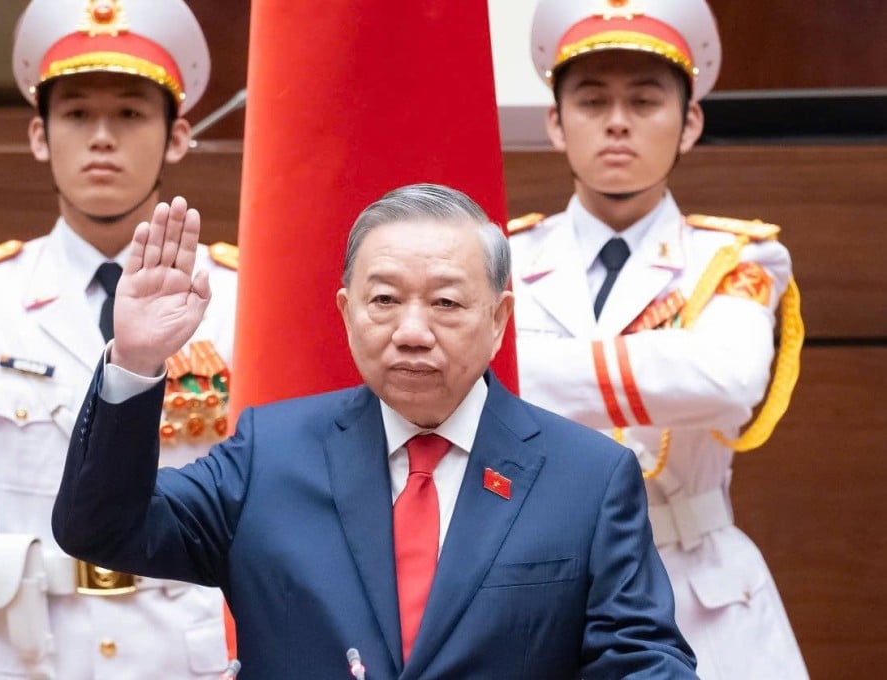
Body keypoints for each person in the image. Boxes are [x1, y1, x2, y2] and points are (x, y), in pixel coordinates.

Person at [51, 182, 697, 678]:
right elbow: (101, 530)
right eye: (384, 300)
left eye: (445, 303)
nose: (412, 332)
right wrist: (135, 362)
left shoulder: (584, 475)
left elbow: (640, 660)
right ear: (346, 311)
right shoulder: (269, 454)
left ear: (499, 319)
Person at [0, 0, 238, 677]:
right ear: (39, 135)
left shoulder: (240, 296)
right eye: (76, 113)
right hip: (29, 655)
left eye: (130, 113)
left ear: (178, 136)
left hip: (186, 656)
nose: (101, 138)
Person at [509, 1, 808, 678]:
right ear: (556, 123)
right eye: (591, 100)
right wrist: (663, 372)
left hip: (698, 586)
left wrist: (517, 374)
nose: (618, 121)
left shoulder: (737, 258)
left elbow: (727, 381)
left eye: (645, 100)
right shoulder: (498, 257)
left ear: (690, 122)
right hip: (534, 581)